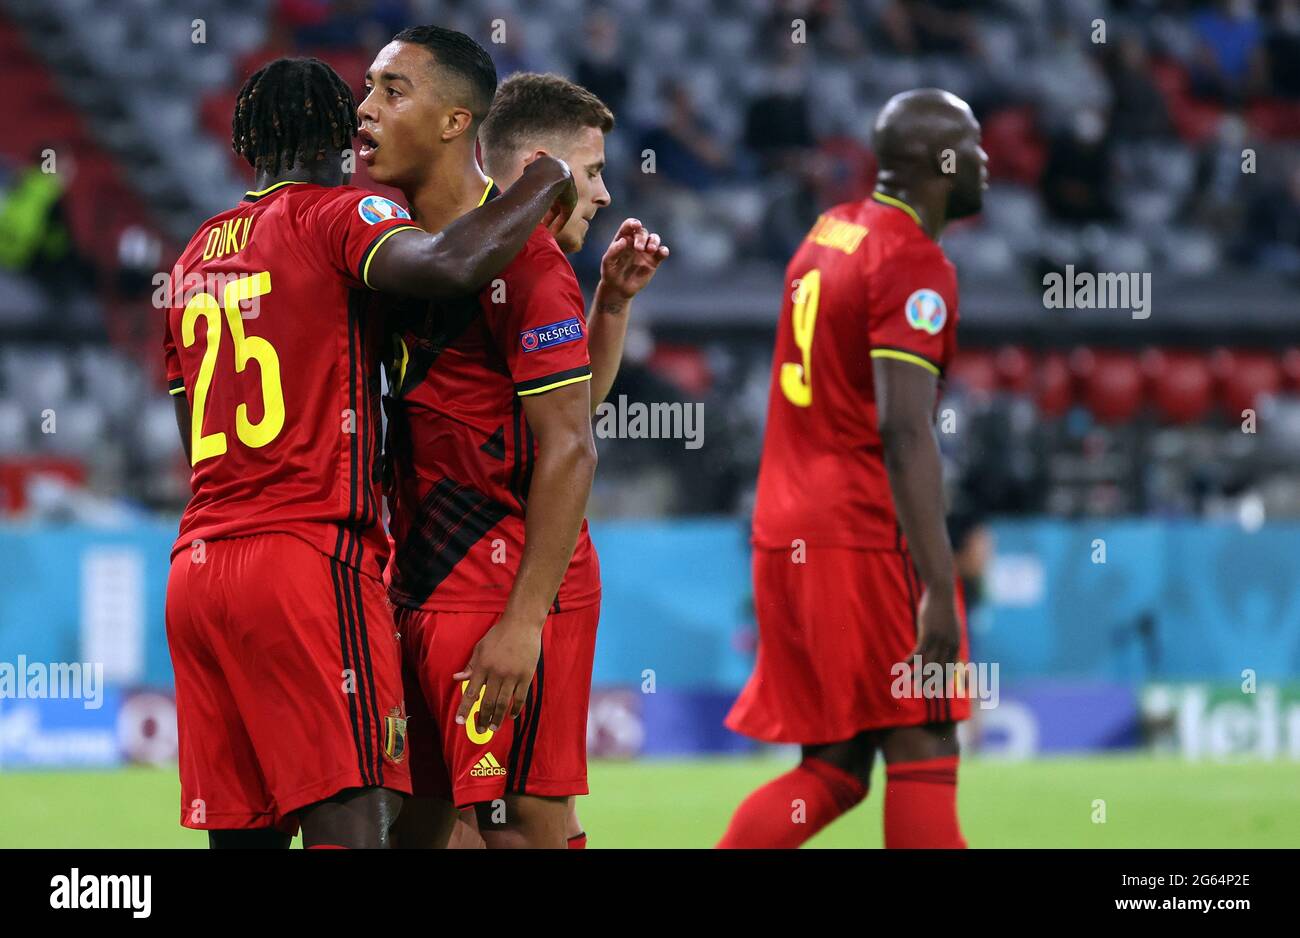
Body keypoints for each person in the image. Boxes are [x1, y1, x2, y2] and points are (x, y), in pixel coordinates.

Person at [162, 55, 575, 849]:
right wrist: (539, 183)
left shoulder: (190, 261)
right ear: (334, 134)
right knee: (351, 826)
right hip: (306, 558)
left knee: (242, 835)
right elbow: (451, 264)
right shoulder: (336, 217)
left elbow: (196, 440)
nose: (368, 117)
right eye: (359, 106)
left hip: (200, 568)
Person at [356, 24, 664, 849]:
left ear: (458, 124)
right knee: (424, 819)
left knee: (518, 819)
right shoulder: (399, 250)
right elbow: (547, 416)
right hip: (418, 569)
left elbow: (567, 443)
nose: (601, 196)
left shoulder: (526, 263)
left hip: (502, 573)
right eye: (591, 173)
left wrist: (525, 619)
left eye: (391, 92)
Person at [719, 88, 988, 849]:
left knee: (835, 767)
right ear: (939, 162)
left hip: (790, 530)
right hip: (868, 537)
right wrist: (939, 584)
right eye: (971, 143)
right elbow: (903, 428)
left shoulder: (830, 230)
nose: (987, 159)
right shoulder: (913, 261)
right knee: (924, 745)